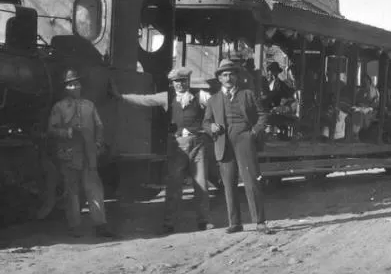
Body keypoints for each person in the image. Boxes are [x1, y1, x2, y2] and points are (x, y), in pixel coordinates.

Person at [114, 67, 213, 234]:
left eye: (183, 81)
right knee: (174, 185)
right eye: (176, 81)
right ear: (172, 83)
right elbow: (145, 100)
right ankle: (169, 222)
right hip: (176, 145)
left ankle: (204, 221)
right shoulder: (167, 97)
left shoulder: (201, 95)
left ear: (188, 81)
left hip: (198, 144)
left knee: (201, 184)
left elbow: (218, 104)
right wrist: (121, 97)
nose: (180, 84)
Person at [203, 59, 271, 234]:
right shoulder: (213, 100)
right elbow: (206, 122)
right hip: (223, 144)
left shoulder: (247, 94)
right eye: (224, 75)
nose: (228, 78)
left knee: (251, 181)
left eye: (231, 74)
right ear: (219, 78)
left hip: (244, 141)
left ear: (236, 76)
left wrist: (254, 133)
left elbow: (262, 115)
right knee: (228, 184)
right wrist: (210, 127)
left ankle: (260, 222)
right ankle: (235, 223)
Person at [48, 68, 115, 238]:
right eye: (70, 85)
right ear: (65, 88)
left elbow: (99, 126)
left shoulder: (89, 105)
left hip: (89, 154)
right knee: (72, 191)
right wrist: (68, 132)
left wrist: (98, 143)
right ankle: (74, 226)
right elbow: (52, 129)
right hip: (70, 154)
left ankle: (101, 225)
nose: (74, 87)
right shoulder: (59, 107)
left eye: (76, 84)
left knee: (94, 189)